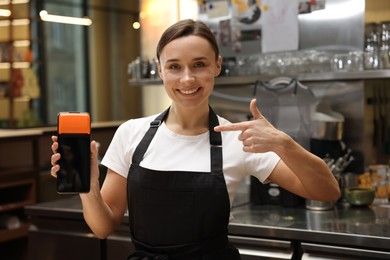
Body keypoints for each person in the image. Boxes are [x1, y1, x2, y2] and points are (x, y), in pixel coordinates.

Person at [51, 19, 340, 259]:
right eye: (175, 66)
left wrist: (282, 142)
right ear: (160, 69)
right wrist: (88, 187)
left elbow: (327, 190)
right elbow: (103, 227)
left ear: (217, 65)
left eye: (199, 64)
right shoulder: (131, 133)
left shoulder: (239, 138)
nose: (187, 79)